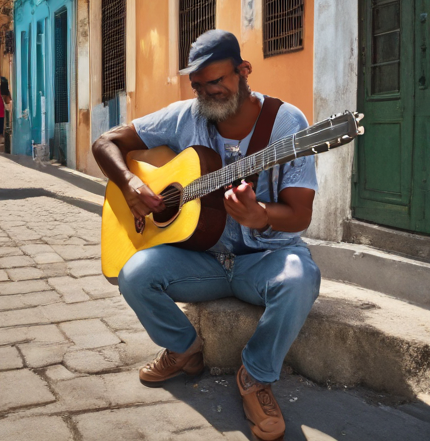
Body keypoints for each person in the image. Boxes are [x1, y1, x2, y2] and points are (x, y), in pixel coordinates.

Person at [92, 30, 321, 441]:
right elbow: (106, 142)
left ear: (244, 70)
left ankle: (255, 375)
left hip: (264, 258)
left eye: (217, 81)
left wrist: (261, 214)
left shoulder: (288, 123)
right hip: (204, 259)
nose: (208, 93)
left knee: (301, 278)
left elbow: (300, 214)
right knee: (133, 273)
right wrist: (129, 184)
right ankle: (184, 348)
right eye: (199, 86)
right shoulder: (186, 116)